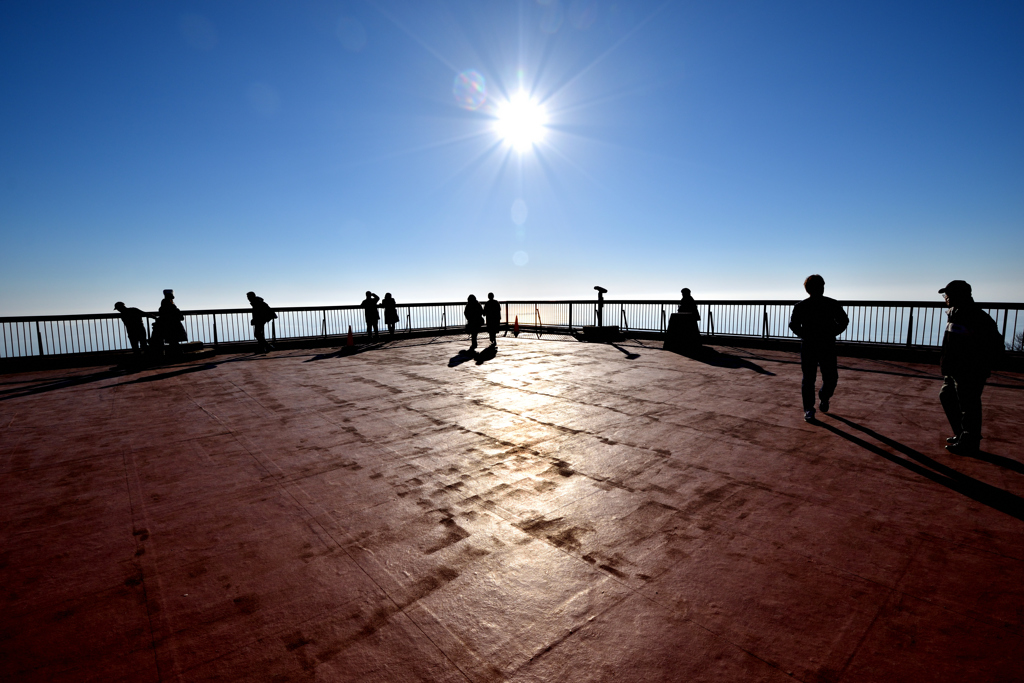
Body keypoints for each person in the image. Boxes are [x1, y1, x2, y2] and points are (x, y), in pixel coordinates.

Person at [938, 280, 1001, 454]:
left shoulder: (976, 317)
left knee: (969, 405)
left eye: (947, 295)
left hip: (969, 370)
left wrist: (976, 365)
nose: (946, 298)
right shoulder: (955, 313)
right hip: (954, 370)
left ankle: (970, 441)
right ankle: (962, 434)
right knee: (947, 396)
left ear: (958, 296)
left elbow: (993, 345)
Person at [789, 275, 849, 422]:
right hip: (823, 344)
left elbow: (793, 325)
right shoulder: (829, 304)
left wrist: (806, 335)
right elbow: (843, 321)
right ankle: (811, 406)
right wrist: (831, 333)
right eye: (820, 285)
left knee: (819, 378)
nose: (821, 288)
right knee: (820, 378)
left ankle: (819, 400)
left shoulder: (803, 306)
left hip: (814, 345)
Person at [153, 289, 187, 356]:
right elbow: (181, 317)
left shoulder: (162, 308)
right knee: (174, 341)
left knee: (172, 341)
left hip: (166, 327)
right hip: (175, 327)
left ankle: (174, 354)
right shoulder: (173, 308)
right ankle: (178, 354)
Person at [676, 288, 702, 352]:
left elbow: (685, 308)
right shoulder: (690, 299)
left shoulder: (686, 299)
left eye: (682, 293)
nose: (682, 294)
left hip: (688, 317)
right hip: (691, 317)